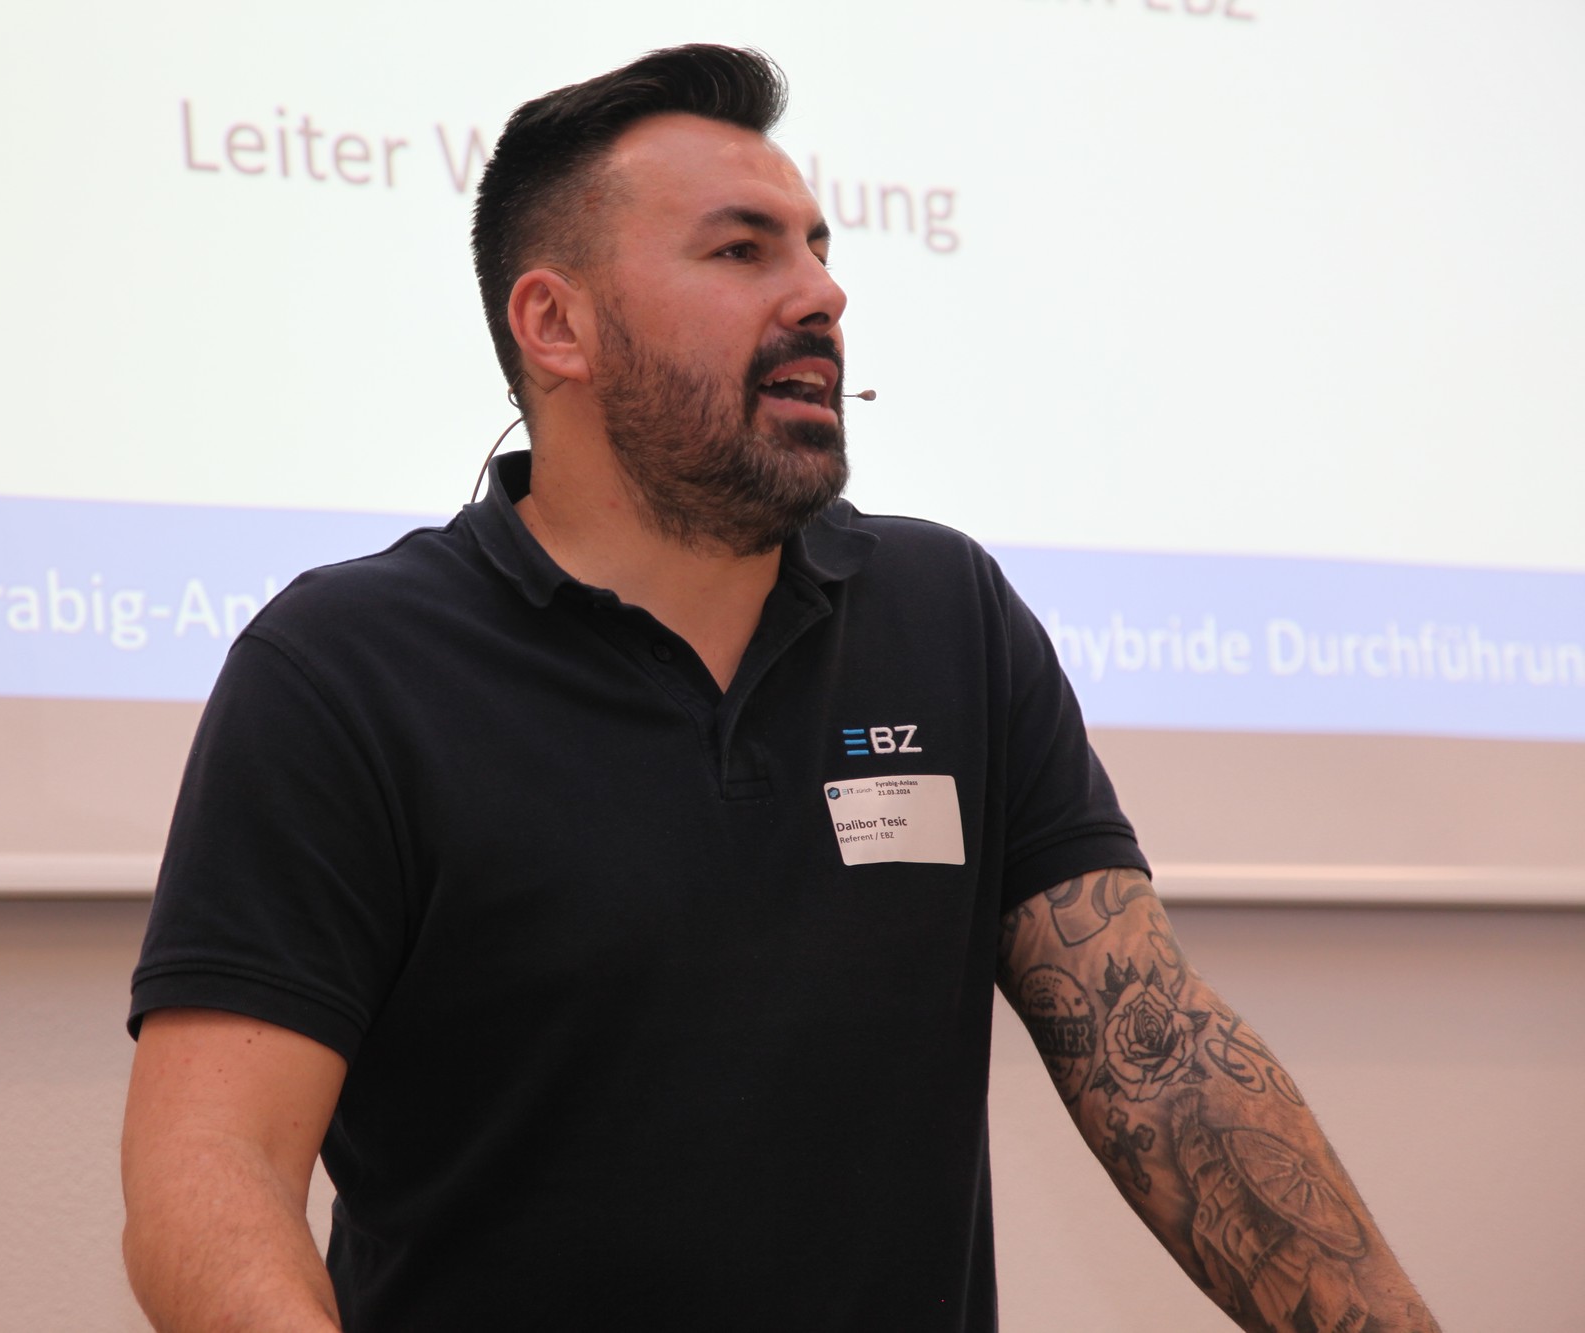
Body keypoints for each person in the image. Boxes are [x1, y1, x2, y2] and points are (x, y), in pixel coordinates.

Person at [121, 45, 1439, 1333]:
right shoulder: (344, 670)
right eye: (742, 251)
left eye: (817, 247)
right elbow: (209, 1171)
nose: (821, 292)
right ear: (556, 325)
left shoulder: (948, 615)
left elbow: (1159, 1065)